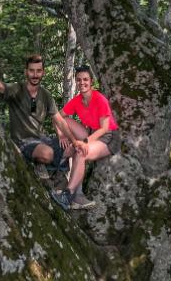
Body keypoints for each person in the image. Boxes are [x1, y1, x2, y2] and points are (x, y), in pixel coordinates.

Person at [0, 54, 75, 181]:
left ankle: (58, 178)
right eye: (32, 70)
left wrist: (73, 140)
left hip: (43, 139)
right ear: (26, 72)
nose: (35, 74)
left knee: (74, 147)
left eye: (38, 71)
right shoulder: (17, 89)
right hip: (23, 142)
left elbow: (59, 120)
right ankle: (40, 164)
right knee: (47, 153)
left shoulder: (45, 95)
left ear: (42, 73)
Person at [51, 65, 120, 211]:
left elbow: (105, 128)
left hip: (108, 137)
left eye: (85, 80)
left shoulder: (99, 99)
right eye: (79, 80)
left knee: (80, 151)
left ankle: (68, 195)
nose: (82, 83)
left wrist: (85, 142)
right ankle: (58, 170)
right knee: (67, 124)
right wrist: (61, 134)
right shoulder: (77, 100)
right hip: (90, 132)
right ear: (76, 82)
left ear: (91, 82)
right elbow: (57, 117)